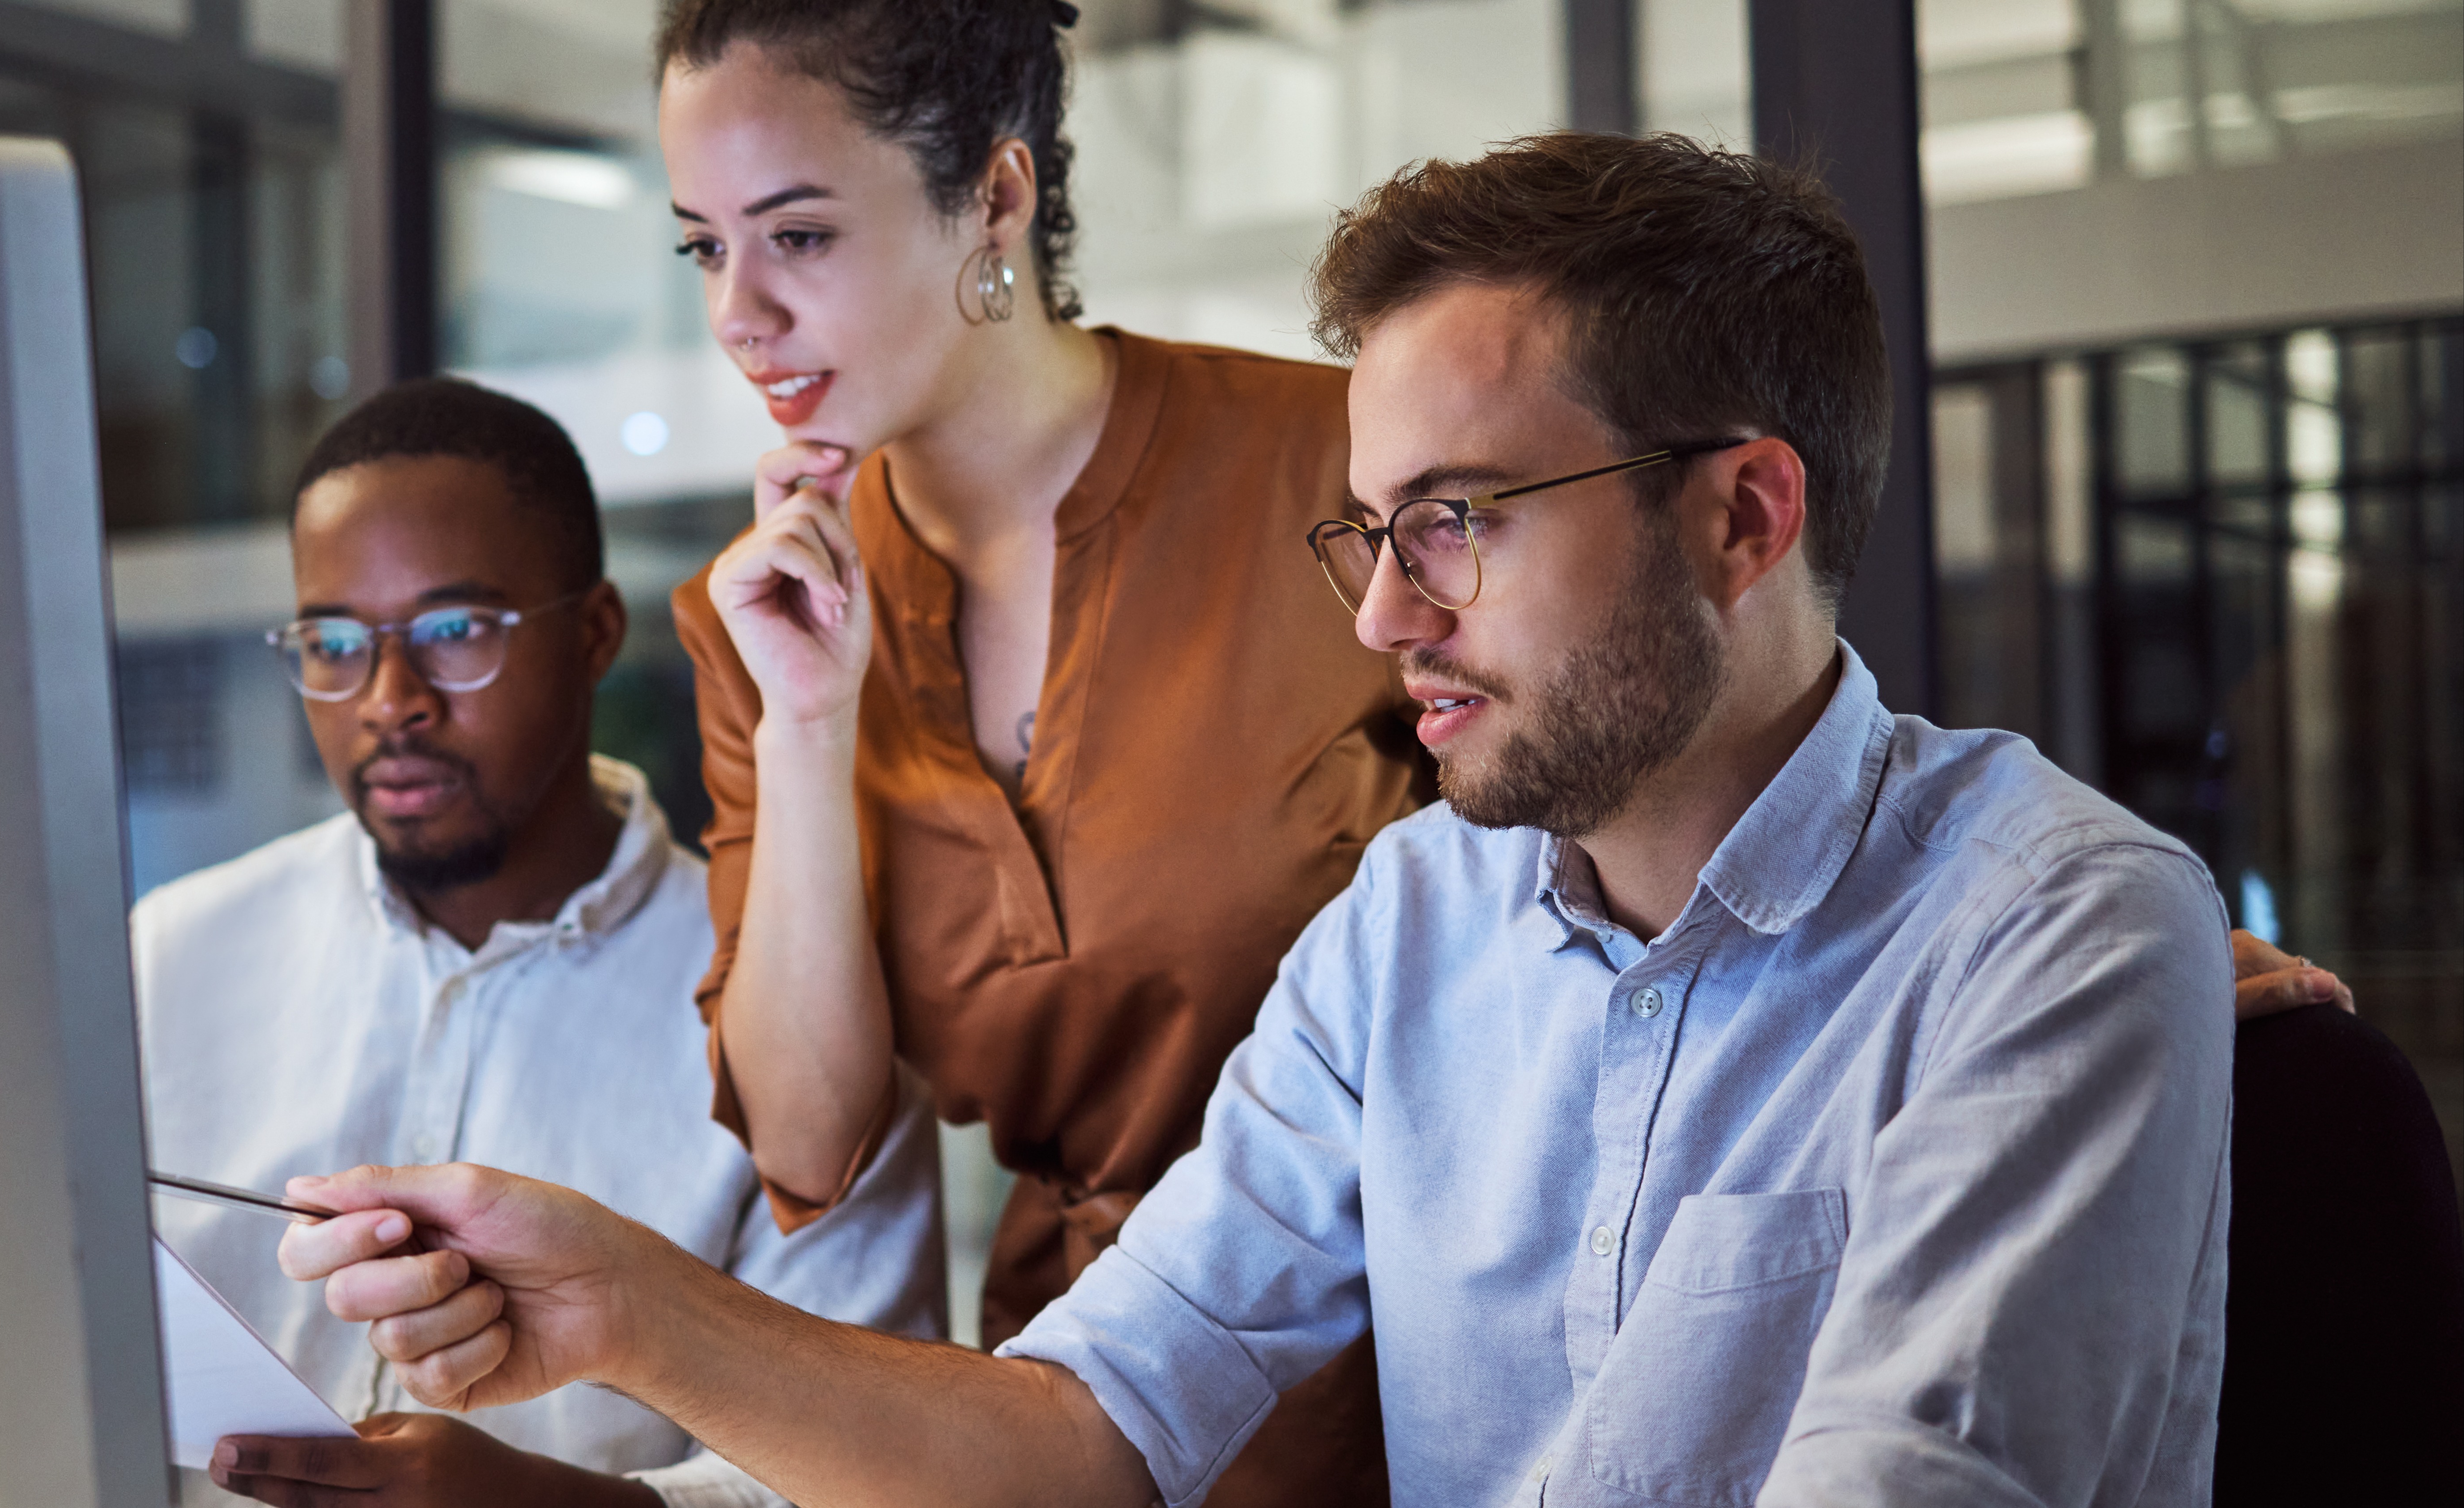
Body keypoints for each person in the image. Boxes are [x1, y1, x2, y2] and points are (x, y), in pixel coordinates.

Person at [275, 135, 2240, 1507]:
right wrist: (628, 1307)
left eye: (1455, 520)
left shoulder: (2046, 933)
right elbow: (1084, 1432)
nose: (1383, 618)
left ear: (1740, 516)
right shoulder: (1412, 923)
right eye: (1370, 531)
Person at [653, 4, 1424, 1495]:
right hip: (1054, 1412)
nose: (738, 312)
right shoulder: (755, 616)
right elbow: (807, 1143)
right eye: (702, 246)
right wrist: (809, 722)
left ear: (994, 197)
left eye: (797, 235)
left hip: (1415, 1391)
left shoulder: (1338, 471)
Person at [132, 378, 944, 1508]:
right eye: (332, 642)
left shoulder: (795, 1022)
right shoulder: (170, 958)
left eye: (455, 631)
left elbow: (877, 1476)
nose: (389, 699)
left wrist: (567, 1507)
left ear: (597, 633)